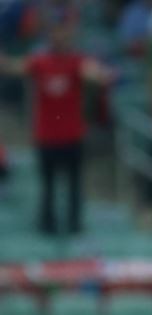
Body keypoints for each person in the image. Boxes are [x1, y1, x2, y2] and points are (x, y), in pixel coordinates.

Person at [0, 22, 113, 235]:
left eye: (64, 36)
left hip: (72, 134)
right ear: (50, 38)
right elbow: (16, 67)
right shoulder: (41, 62)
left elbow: (93, 73)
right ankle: (47, 225)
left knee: (74, 185)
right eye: (56, 36)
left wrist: (102, 75)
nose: (60, 40)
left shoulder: (76, 62)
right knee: (48, 185)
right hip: (47, 135)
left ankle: (74, 225)